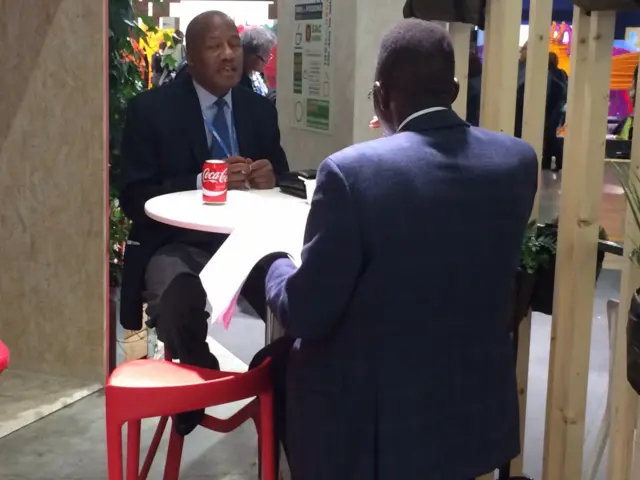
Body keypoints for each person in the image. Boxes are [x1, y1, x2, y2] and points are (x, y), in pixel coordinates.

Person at [265, 19, 538, 480]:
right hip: (471, 411)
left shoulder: (352, 174)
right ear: (453, 88)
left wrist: (274, 263)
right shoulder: (516, 161)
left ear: (379, 95)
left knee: (274, 366)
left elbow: (307, 313)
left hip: (373, 424)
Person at [118, 10, 289, 436]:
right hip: (174, 242)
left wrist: (272, 178)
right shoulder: (151, 110)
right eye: (215, 47)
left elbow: (284, 176)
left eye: (234, 44)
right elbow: (133, 195)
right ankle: (199, 375)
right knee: (176, 301)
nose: (229, 55)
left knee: (294, 292)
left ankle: (276, 378)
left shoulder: (257, 110)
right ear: (190, 56)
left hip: (248, 242)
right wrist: (200, 181)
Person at [239, 26, 276, 98]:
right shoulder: (240, 82)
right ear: (250, 56)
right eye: (265, 55)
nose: (268, 59)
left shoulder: (255, 74)